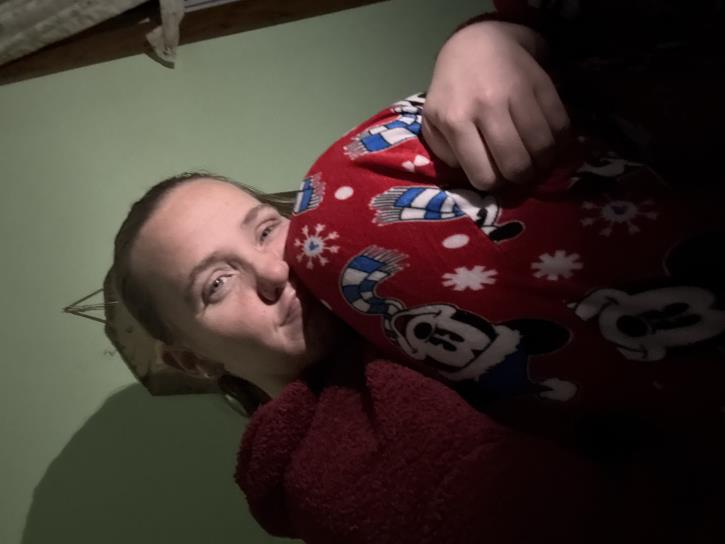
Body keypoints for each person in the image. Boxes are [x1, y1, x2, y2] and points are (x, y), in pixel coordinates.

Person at [112, 8, 725, 544]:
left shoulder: (403, 291)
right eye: (217, 284)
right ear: (193, 359)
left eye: (266, 229)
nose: (274, 270)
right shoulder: (353, 475)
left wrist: (492, 40)